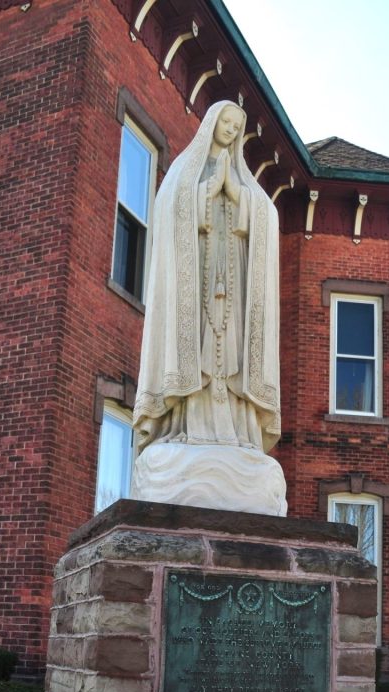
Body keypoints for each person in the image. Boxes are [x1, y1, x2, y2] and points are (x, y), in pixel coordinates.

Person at [133, 100, 281, 456]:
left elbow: (267, 215)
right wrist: (207, 192)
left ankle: (236, 428)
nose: (231, 129)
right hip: (197, 280)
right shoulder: (185, 172)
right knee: (197, 344)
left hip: (234, 282)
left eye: (237, 126)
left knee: (231, 343)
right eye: (226, 122)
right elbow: (169, 208)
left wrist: (236, 192)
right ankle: (189, 425)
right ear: (212, 122)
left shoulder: (243, 178)